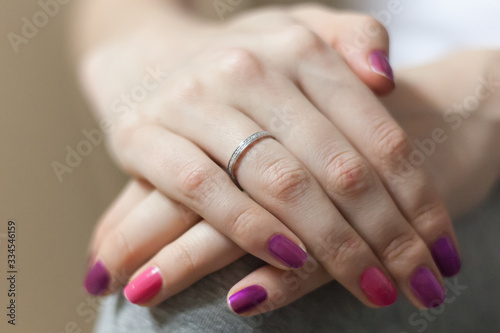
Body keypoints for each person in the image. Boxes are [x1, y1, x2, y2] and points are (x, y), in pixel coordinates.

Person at [72, 0, 500, 331]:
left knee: (211, 299)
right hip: (355, 95)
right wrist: (145, 44)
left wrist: (483, 94)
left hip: (451, 110)